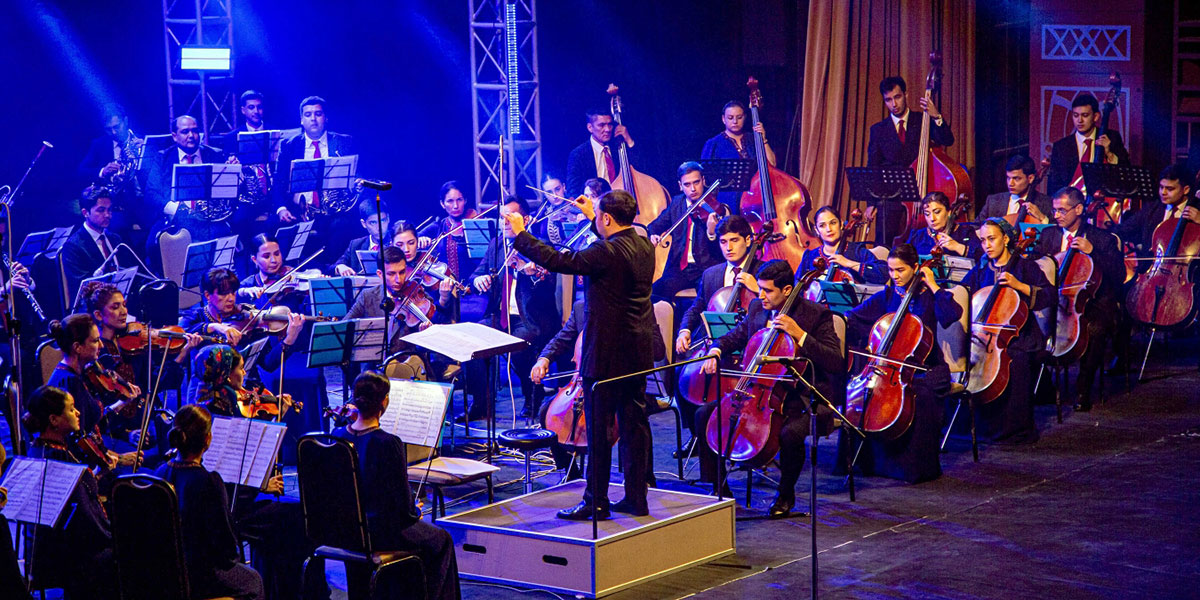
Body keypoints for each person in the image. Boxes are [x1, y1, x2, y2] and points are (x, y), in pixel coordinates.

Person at [507, 190, 657, 519]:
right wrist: (593, 217)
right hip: (636, 351)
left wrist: (521, 234)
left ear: (608, 218)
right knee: (633, 426)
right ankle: (637, 498)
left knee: (599, 431)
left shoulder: (604, 251)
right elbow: (610, 248)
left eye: (600, 215)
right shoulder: (644, 245)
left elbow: (560, 261)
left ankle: (595, 501)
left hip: (605, 354)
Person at [693, 260, 844, 517]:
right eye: (760, 289)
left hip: (802, 396)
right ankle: (718, 487)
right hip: (759, 392)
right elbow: (737, 336)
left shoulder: (816, 315)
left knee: (790, 434)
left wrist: (800, 335)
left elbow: (835, 362)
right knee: (704, 414)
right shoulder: (757, 308)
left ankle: (785, 494)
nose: (760, 295)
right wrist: (716, 348)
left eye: (767, 290)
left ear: (787, 290)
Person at [188, 344, 319, 600]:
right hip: (229, 506)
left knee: (283, 522)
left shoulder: (202, 403)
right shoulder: (223, 412)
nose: (244, 374)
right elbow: (224, 472)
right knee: (300, 518)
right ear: (227, 375)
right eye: (240, 368)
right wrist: (260, 484)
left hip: (228, 498)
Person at [332, 371, 461, 600]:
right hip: (379, 532)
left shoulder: (337, 436)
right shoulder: (388, 443)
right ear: (384, 402)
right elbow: (402, 509)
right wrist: (415, 511)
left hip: (343, 529)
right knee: (441, 541)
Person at [842, 244, 953, 483]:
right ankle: (865, 462)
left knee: (920, 397)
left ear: (916, 267)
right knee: (863, 396)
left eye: (900, 270)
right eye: (891, 270)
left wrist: (933, 285)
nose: (895, 276)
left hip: (927, 367)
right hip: (890, 367)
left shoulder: (928, 295)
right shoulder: (889, 294)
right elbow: (854, 316)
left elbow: (951, 315)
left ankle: (911, 468)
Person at [154, 405, 265, 600]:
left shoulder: (160, 473)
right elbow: (226, 549)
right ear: (207, 439)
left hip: (166, 572)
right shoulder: (208, 481)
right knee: (253, 581)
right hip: (200, 575)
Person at [959, 219, 1054, 443]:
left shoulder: (1025, 267)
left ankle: (1014, 428)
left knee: (1017, 360)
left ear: (1005, 238)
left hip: (1020, 335)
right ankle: (974, 423)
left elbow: (1050, 296)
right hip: (985, 337)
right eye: (983, 240)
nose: (987, 245)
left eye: (991, 239)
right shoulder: (981, 268)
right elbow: (962, 293)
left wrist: (1019, 286)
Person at [82, 281, 201, 460]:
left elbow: (155, 382)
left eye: (124, 305)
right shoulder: (97, 353)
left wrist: (182, 354)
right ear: (98, 315)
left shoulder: (134, 342)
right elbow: (98, 409)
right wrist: (126, 434)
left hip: (145, 418)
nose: (124, 312)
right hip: (113, 430)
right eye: (115, 307)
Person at [238, 233, 330, 457]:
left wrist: (318, 286)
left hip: (298, 350)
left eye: (277, 254)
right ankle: (284, 450)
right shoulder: (248, 286)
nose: (274, 260)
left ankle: (316, 442)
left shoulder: (292, 281)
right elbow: (237, 299)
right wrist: (246, 293)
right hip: (269, 355)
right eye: (266, 256)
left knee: (312, 378)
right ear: (254, 259)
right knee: (274, 380)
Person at [467, 196, 559, 420]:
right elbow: (476, 274)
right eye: (502, 217)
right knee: (471, 339)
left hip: (530, 318)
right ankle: (482, 404)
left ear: (525, 220)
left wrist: (529, 272)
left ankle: (533, 397)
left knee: (518, 345)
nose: (505, 222)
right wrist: (478, 280)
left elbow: (549, 285)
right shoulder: (497, 244)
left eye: (511, 216)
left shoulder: (539, 246)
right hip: (499, 316)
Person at [23, 385, 119, 600]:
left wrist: (97, 475)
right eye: (71, 408)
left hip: (46, 551)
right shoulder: (60, 460)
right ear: (54, 420)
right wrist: (117, 536)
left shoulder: (37, 449)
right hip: (70, 557)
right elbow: (88, 522)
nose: (78, 413)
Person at [1036, 187, 1124, 411]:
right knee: (1029, 325)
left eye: (1062, 210)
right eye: (1055, 210)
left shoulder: (1101, 238)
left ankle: (1083, 388)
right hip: (1055, 300)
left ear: (1078, 209)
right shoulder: (1048, 236)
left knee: (1093, 330)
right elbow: (1036, 269)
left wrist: (1092, 251)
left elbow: (1118, 274)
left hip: (1092, 303)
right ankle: (1043, 387)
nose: (1057, 215)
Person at [866, 76, 956, 244]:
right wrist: (871, 203)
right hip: (890, 200)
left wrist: (936, 116)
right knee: (884, 245)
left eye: (897, 97)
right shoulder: (878, 130)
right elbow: (873, 167)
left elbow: (947, 140)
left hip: (920, 195)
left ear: (906, 94)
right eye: (888, 100)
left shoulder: (922, 120)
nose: (894, 104)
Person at [45, 314, 141, 470]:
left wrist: (122, 402)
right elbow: (80, 442)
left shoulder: (79, 374)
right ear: (77, 347)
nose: (101, 345)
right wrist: (118, 458)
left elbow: (91, 418)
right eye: (95, 341)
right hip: (81, 467)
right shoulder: (71, 382)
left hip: (97, 454)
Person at [144, 114, 233, 244]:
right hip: (175, 218)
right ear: (174, 136)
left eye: (195, 131)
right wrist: (176, 210)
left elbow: (228, 192)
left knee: (224, 235)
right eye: (185, 132)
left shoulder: (215, 154)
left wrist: (234, 172)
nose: (191, 135)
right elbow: (151, 193)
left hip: (209, 220)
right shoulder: (162, 158)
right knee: (152, 245)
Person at [647, 162, 728, 301]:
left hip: (705, 268)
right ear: (680, 185)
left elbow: (721, 249)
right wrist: (653, 235)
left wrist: (711, 233)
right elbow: (654, 226)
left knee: (709, 298)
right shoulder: (676, 203)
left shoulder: (714, 206)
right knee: (654, 293)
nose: (693, 189)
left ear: (703, 181)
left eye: (696, 182)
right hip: (680, 268)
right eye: (687, 184)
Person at [273, 95, 356, 224]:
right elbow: (278, 181)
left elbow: (356, 173)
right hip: (298, 211)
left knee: (342, 225)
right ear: (301, 120)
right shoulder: (288, 145)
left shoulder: (343, 142)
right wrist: (282, 209)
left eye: (318, 114)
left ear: (326, 118)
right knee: (273, 225)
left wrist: (357, 183)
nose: (313, 119)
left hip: (335, 212)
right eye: (308, 115)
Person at [344, 246, 436, 355]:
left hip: (408, 361)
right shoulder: (367, 296)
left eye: (402, 272)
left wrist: (424, 336)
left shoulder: (418, 295)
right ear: (380, 274)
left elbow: (427, 348)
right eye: (391, 274)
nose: (398, 280)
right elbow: (345, 327)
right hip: (374, 362)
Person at [419, 181, 485, 320]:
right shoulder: (438, 227)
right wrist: (421, 239)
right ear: (442, 204)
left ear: (465, 200)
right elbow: (412, 238)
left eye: (459, 200)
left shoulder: (477, 224)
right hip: (446, 293)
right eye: (450, 201)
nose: (455, 206)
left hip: (475, 293)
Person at [1046, 93, 1130, 195]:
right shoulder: (1061, 146)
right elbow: (1054, 185)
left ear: (1096, 116)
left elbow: (1126, 173)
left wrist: (1109, 154)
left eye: (1085, 115)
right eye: (1076, 115)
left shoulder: (1112, 138)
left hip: (1103, 199)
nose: (1079, 120)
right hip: (1071, 202)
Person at [700, 100, 777, 209]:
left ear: (744, 117)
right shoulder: (713, 143)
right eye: (730, 118)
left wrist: (763, 139)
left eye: (739, 117)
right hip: (728, 201)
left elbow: (772, 164)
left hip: (755, 198)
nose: (735, 121)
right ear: (723, 119)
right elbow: (705, 178)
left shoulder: (754, 138)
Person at [61, 185, 126, 302]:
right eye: (101, 210)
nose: (107, 215)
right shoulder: (73, 247)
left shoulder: (115, 239)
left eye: (109, 210)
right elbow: (84, 291)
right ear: (85, 213)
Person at [799, 206, 887, 287]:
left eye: (833, 223)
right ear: (816, 230)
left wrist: (849, 263)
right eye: (822, 225)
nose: (829, 229)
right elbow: (798, 284)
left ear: (841, 224)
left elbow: (884, 272)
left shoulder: (857, 252)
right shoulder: (810, 256)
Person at [565, 108, 636, 196]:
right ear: (590, 127)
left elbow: (641, 168)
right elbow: (573, 191)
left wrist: (629, 140)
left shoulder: (618, 146)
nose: (608, 129)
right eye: (601, 125)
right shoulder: (578, 154)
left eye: (610, 124)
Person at [904, 191, 980, 258]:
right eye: (927, 214)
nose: (932, 218)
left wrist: (958, 247)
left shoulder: (966, 233)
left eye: (937, 212)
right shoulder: (918, 236)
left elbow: (982, 257)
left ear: (949, 212)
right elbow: (903, 258)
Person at [980, 155, 1052, 223]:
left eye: (1016, 178)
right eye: (1008, 178)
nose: (1010, 183)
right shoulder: (993, 202)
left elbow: (1056, 230)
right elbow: (976, 227)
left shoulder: (1046, 203)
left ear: (1030, 178)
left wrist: (1042, 218)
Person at [333, 197, 391, 276]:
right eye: (373, 223)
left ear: (388, 219)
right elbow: (335, 266)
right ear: (364, 224)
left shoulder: (397, 241)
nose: (379, 227)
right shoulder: (355, 245)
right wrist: (340, 267)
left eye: (382, 221)